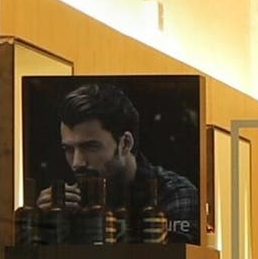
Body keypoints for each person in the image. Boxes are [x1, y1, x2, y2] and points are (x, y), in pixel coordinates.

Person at [52, 81, 202, 239]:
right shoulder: (70, 202)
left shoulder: (172, 193)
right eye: (68, 149)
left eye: (90, 147)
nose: (77, 163)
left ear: (125, 144)